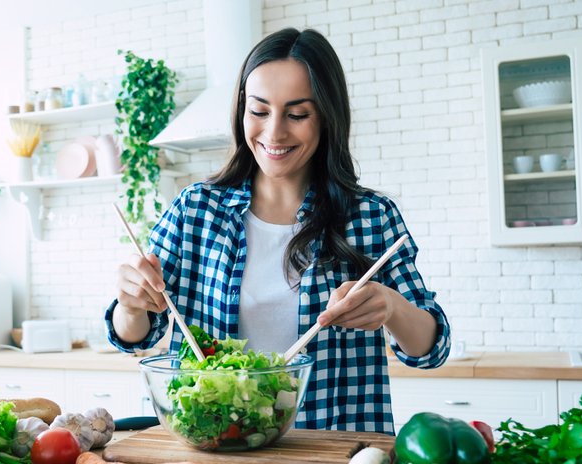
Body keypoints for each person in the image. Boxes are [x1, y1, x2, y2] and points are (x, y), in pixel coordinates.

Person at [104, 28, 450, 435]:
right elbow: (137, 338)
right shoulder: (195, 210)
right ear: (241, 112)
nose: (274, 133)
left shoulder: (371, 217)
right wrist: (130, 304)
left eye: (297, 114)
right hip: (214, 450)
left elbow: (431, 349)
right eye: (259, 111)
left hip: (332, 455)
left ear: (327, 117)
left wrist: (391, 308)